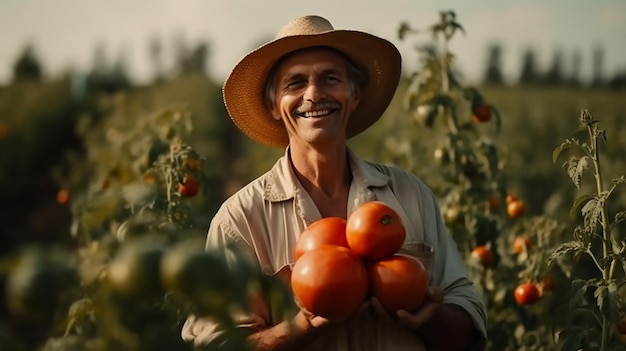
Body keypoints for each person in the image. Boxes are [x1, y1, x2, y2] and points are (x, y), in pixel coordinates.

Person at [182, 15, 487, 351]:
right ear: (273, 105)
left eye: (330, 78)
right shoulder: (241, 219)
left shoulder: (410, 194)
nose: (314, 93)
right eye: (294, 83)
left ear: (354, 96)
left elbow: (469, 324)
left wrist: (429, 316)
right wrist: (299, 328)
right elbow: (217, 344)